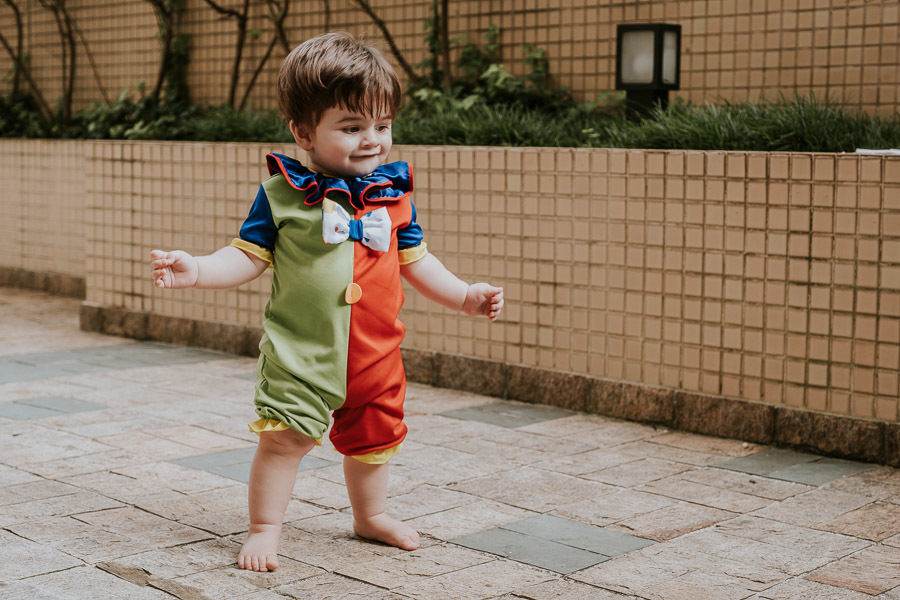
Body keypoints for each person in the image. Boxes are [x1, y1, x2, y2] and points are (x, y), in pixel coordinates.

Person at [150, 31, 504, 573]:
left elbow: (417, 262)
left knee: (373, 443)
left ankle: (371, 516)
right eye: (351, 127)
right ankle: (264, 526)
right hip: (301, 355)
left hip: (376, 356)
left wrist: (465, 296)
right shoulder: (282, 195)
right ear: (303, 132)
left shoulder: (395, 194)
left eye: (382, 126)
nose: (372, 140)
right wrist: (197, 268)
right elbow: (246, 256)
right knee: (284, 442)